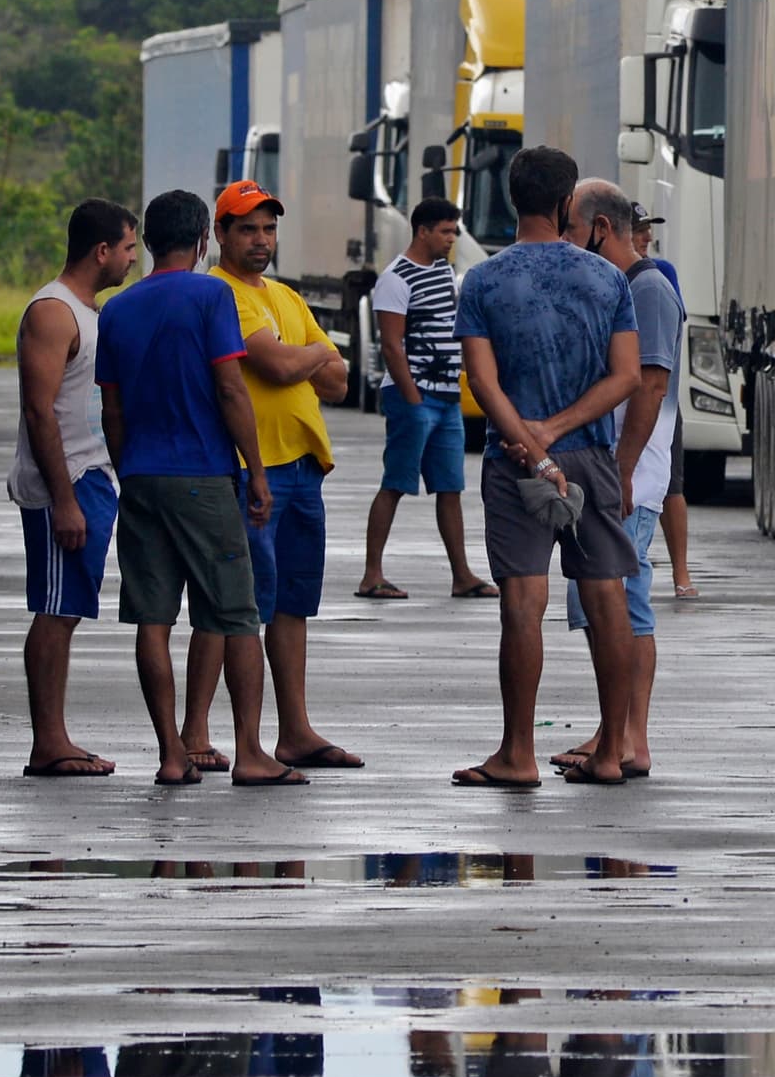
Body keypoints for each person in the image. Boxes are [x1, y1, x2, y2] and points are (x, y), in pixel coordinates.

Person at [451, 143, 642, 789]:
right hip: (590, 454)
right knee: (607, 597)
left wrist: (533, 445)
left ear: (513, 200)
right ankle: (610, 751)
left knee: (522, 602)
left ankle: (518, 754)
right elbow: (626, 377)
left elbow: (482, 382)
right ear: (566, 204)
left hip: (514, 460)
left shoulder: (483, 281)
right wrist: (558, 431)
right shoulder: (607, 279)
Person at [96, 188, 297, 788]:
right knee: (236, 615)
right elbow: (231, 389)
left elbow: (111, 408)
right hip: (204, 476)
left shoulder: (118, 310)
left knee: (153, 619)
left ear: (149, 241)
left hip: (141, 476)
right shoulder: (212, 295)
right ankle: (252, 753)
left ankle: (171, 754)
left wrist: (129, 469)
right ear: (205, 238)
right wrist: (256, 470)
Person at [189, 181, 363, 775]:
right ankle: (196, 732)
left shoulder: (285, 296)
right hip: (250, 471)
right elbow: (287, 364)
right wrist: (311, 354)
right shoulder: (219, 292)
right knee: (233, 605)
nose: (261, 240)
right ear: (220, 234)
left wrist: (304, 359)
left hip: (303, 468)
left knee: (292, 604)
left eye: (268, 228)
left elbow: (340, 381)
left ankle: (295, 731)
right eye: (247, 229)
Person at [10, 198, 140, 778]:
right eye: (129, 248)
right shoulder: (53, 312)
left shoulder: (90, 313)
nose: (133, 259)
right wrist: (63, 500)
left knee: (67, 612)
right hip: (64, 484)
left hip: (92, 479)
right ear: (101, 250)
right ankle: (49, 743)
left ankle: (56, 738)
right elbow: (39, 412)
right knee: (55, 610)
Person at [553, 180, 677, 779]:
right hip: (613, 469)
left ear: (601, 229)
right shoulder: (620, 287)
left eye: (572, 232)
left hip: (632, 473)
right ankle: (613, 729)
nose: (566, 244)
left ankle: (631, 739)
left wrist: (622, 471)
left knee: (626, 604)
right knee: (602, 603)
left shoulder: (648, 289)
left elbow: (650, 385)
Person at [361, 197, 485, 601]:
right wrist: (412, 399)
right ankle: (372, 574)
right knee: (396, 482)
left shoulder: (444, 273)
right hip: (414, 396)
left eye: (454, 231)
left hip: (447, 397)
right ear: (423, 231)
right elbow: (391, 345)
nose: (451, 239)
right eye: (445, 232)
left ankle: (462, 575)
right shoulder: (396, 278)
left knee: (450, 487)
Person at [636, 210, 697, 602]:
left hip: (661, 402)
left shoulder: (659, 276)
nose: (646, 238)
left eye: (647, 231)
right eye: (638, 231)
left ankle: (681, 571)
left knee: (671, 486)